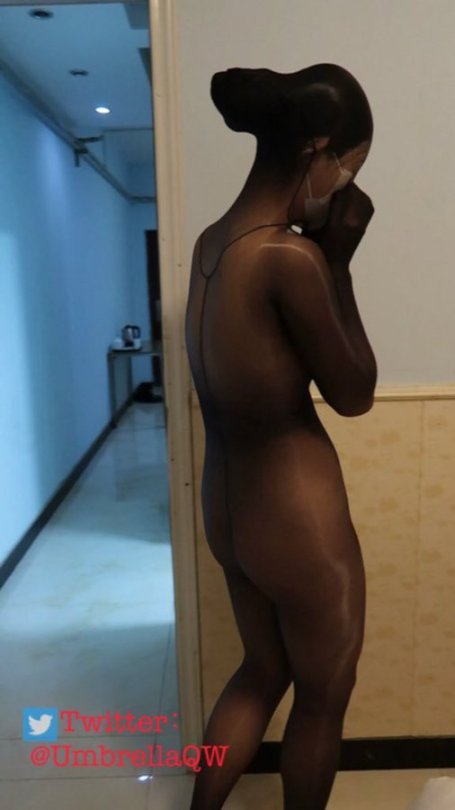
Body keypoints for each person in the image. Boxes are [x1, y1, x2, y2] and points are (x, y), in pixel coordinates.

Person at [184, 62, 377, 810]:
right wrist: (339, 264)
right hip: (295, 511)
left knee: (260, 671)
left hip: (227, 507)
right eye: (348, 168)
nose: (345, 187)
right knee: (324, 695)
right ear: (316, 150)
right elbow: (353, 394)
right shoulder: (288, 257)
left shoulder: (210, 244)